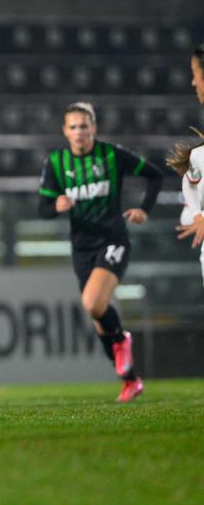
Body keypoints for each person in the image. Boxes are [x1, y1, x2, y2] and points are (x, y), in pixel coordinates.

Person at [38, 101, 163, 402]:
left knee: (93, 304)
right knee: (97, 317)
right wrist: (55, 206)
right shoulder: (56, 163)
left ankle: (122, 341)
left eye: (84, 126)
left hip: (113, 239)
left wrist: (144, 210)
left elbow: (154, 175)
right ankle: (130, 379)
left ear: (93, 127)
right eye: (73, 127)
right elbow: (42, 209)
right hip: (82, 247)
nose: (79, 132)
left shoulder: (110, 155)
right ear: (65, 131)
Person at [167, 43, 204, 284]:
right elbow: (189, 183)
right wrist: (197, 214)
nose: (193, 83)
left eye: (195, 73)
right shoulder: (198, 157)